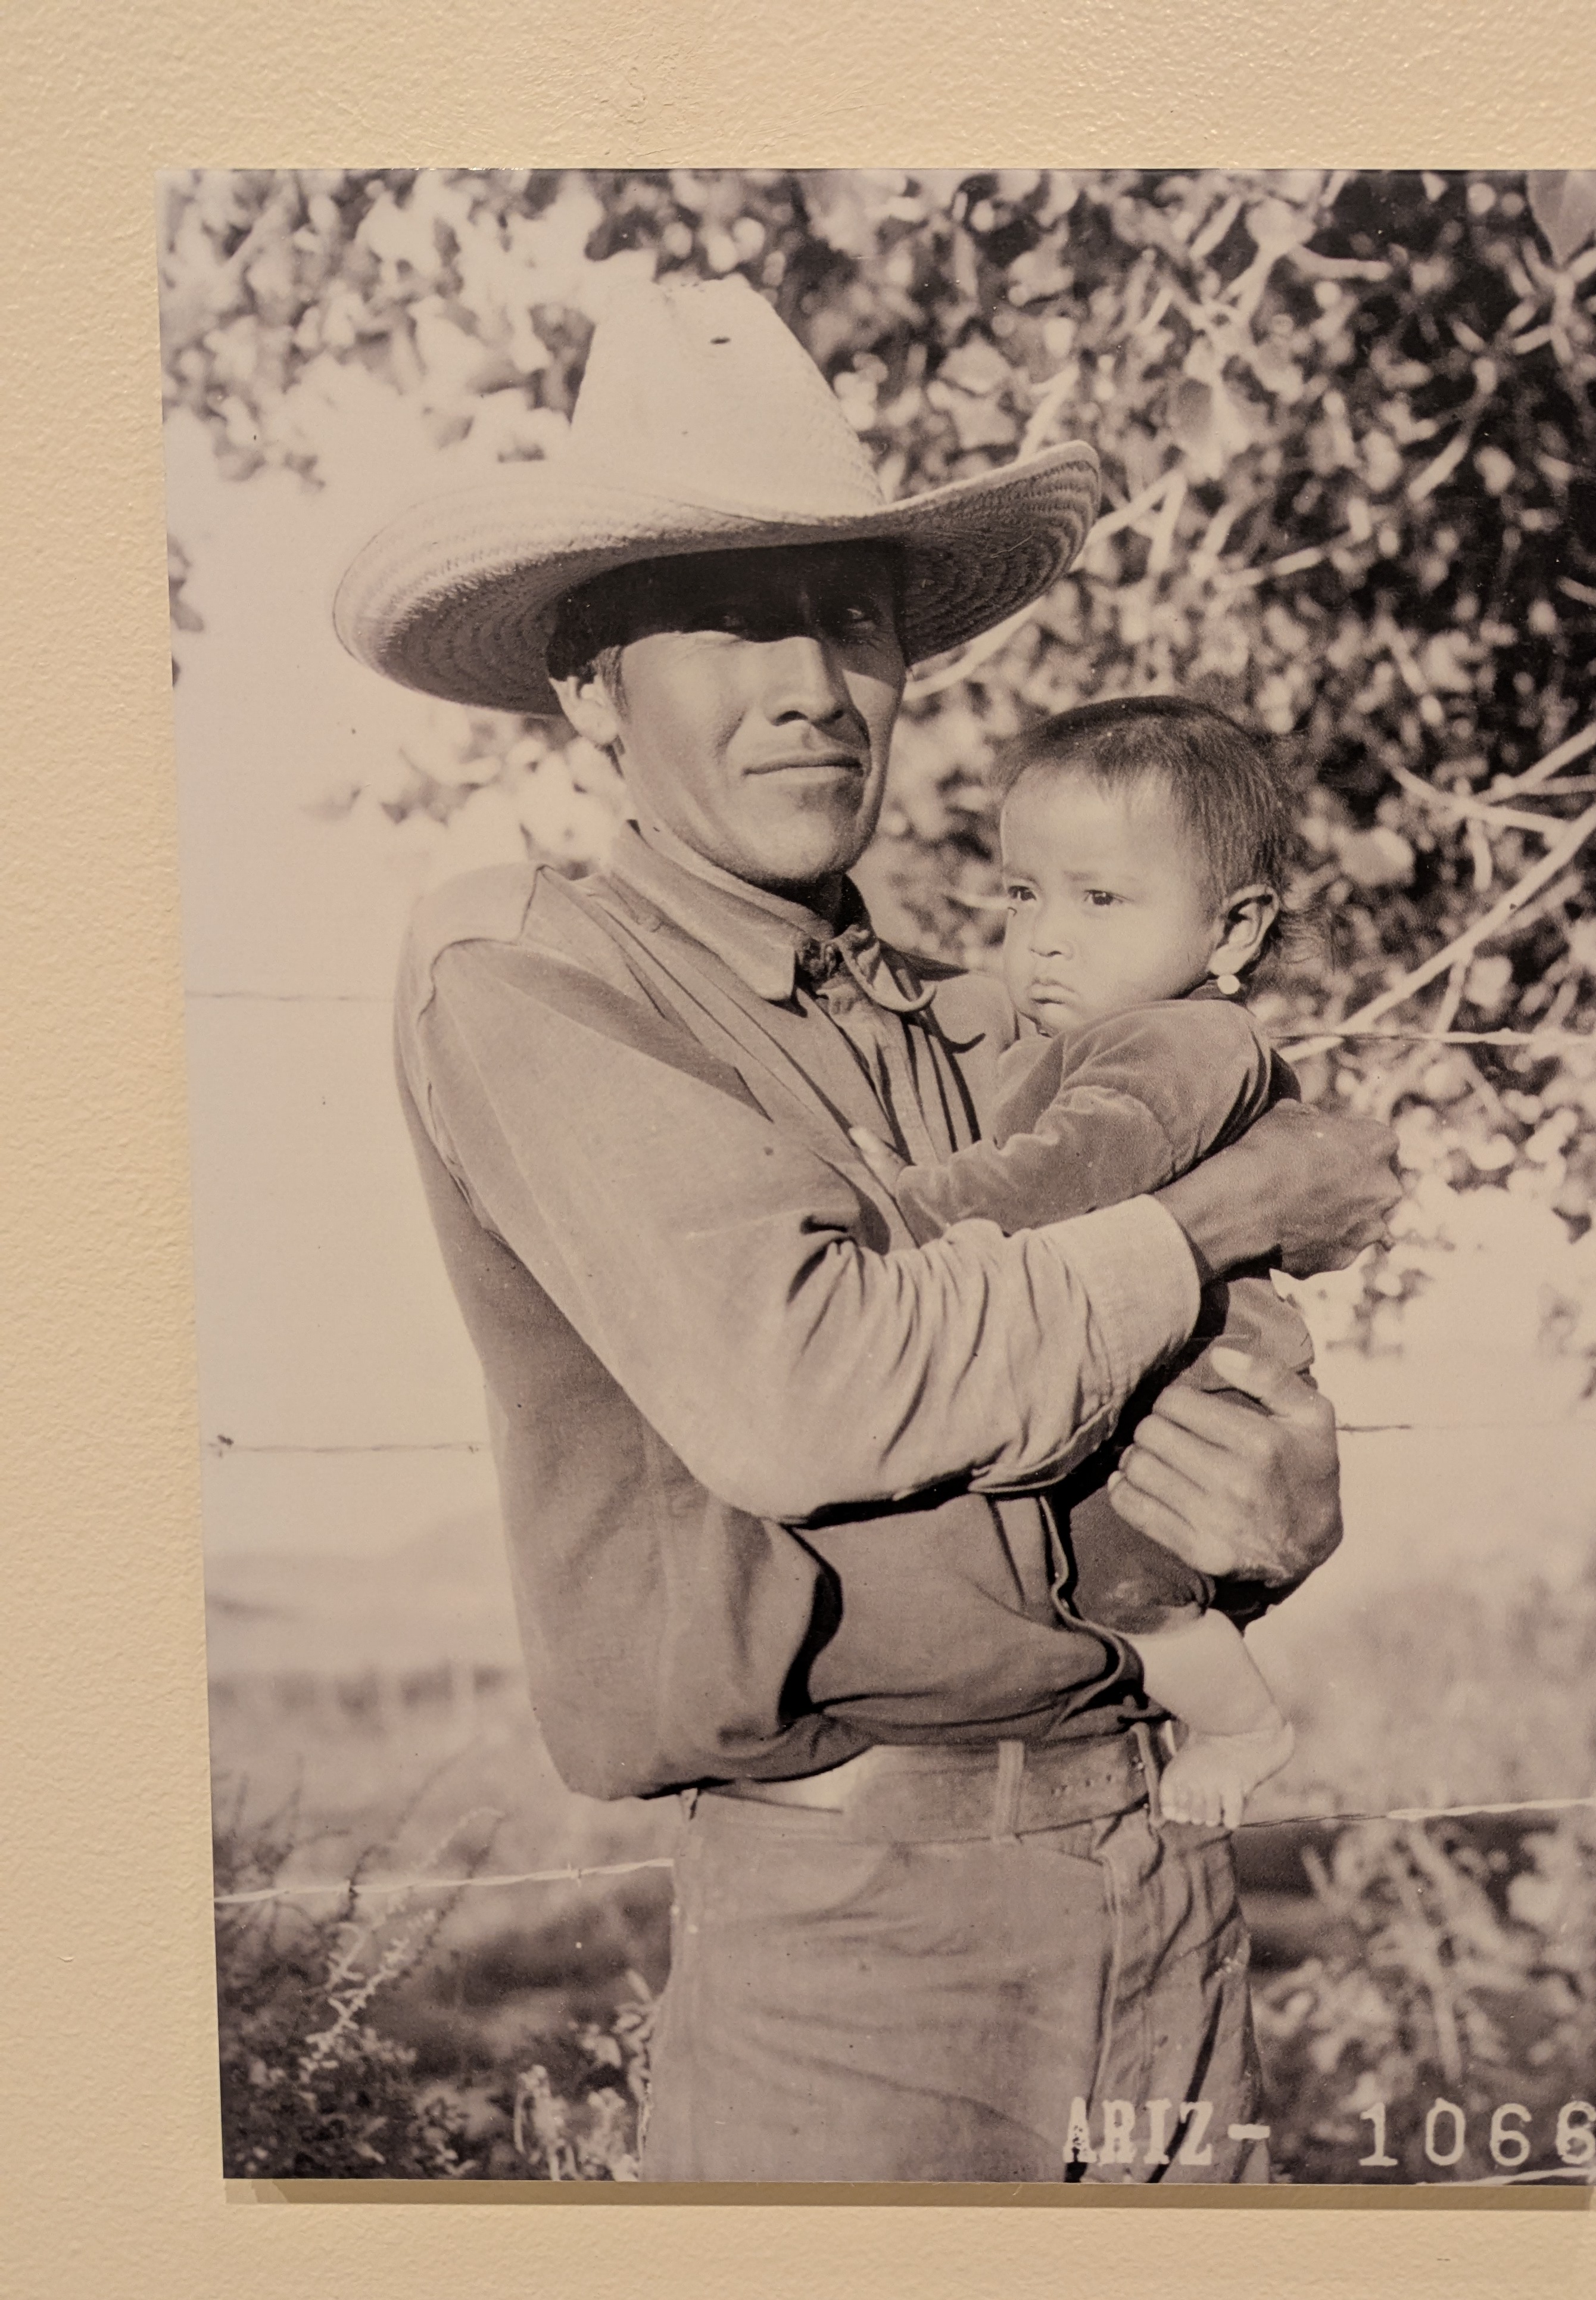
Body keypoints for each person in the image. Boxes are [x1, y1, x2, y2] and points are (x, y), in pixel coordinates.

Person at [335, 274, 1400, 2183]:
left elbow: (1151, 1408)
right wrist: (1221, 1215)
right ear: (588, 680)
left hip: (1158, 1874)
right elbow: (808, 1394)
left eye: (849, 616)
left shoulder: (984, 1019)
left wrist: (1289, 1501)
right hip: (857, 1945)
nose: (813, 688)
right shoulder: (534, 978)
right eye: (731, 621)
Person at [849, 695, 1313, 1832]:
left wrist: (904, 1204)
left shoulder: (1183, 1042)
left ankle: (1244, 1723)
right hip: (1133, 1366)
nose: (1047, 937)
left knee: (1123, 1578)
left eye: (1100, 899)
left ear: (1234, 932)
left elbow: (1066, 1177)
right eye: (1025, 895)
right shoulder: (1092, 1040)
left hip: (1185, 1392)